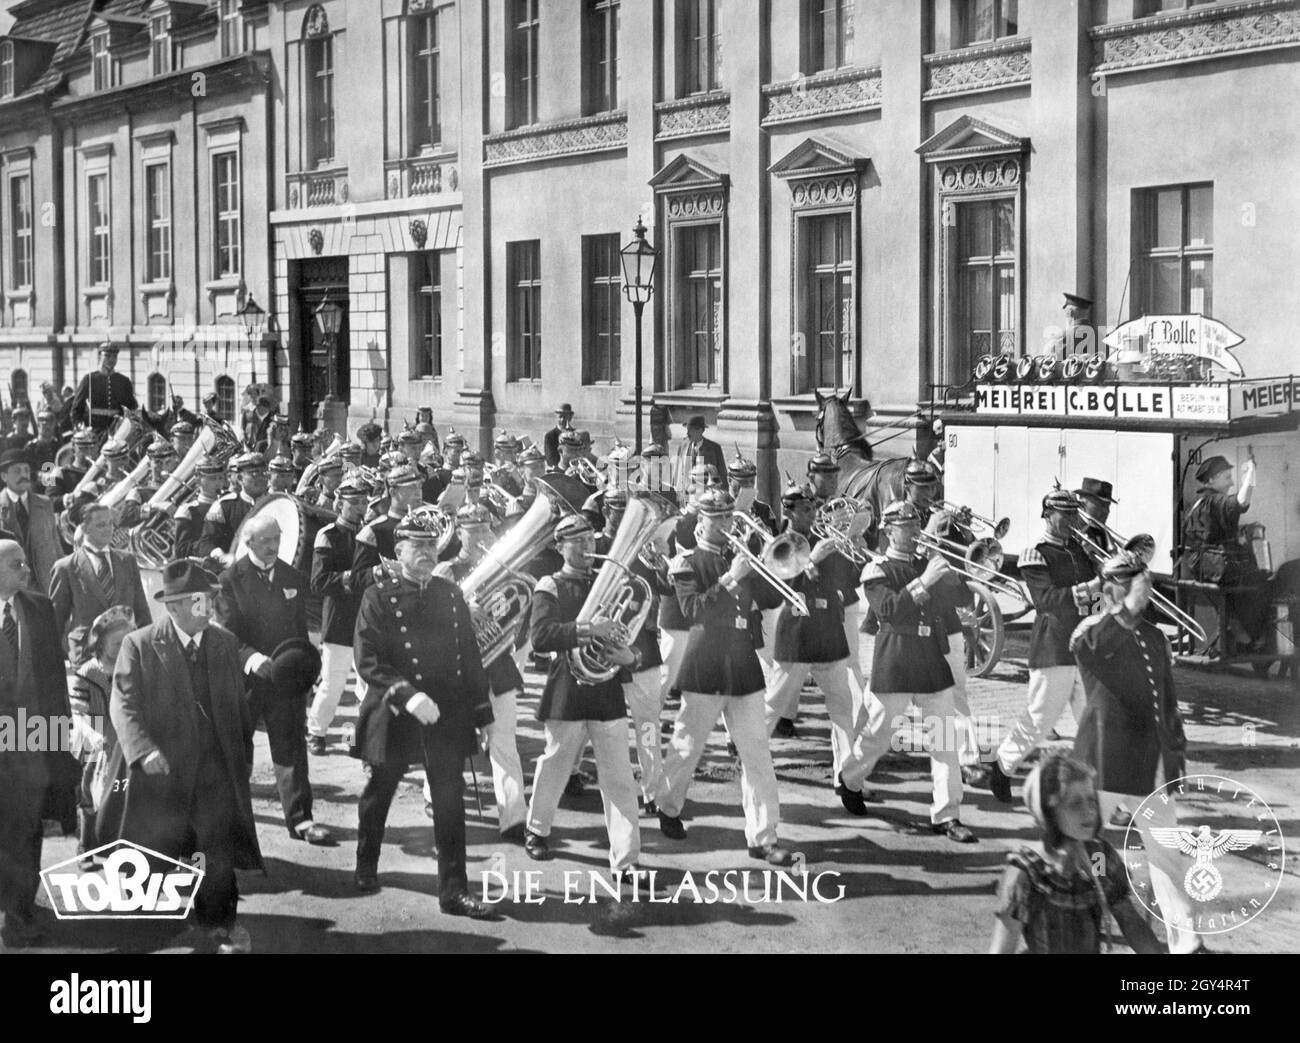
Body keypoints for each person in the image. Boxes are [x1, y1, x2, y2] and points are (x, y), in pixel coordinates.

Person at [98, 560, 263, 953]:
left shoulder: (223, 643)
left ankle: (219, 924)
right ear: (172, 607)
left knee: (215, 849)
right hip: (161, 771)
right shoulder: (138, 644)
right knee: (154, 849)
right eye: (198, 602)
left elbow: (238, 707)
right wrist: (144, 750)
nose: (209, 609)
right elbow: (124, 706)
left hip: (213, 771)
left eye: (210, 600)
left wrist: (241, 756)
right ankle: (146, 929)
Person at [351, 508, 497, 918]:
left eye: (432, 546)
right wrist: (407, 695)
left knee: (451, 802)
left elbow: (469, 657)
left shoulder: (450, 595)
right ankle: (366, 864)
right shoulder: (377, 596)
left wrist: (482, 714)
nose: (427, 553)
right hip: (397, 710)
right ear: (398, 551)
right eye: (418, 546)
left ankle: (454, 891)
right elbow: (369, 659)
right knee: (379, 792)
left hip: (446, 714)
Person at [654, 489, 795, 865]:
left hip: (743, 667)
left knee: (757, 754)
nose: (725, 526)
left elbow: (770, 600)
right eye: (716, 519)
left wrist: (765, 562)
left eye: (729, 518)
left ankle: (764, 836)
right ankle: (667, 806)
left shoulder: (741, 559)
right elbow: (692, 611)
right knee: (687, 744)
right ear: (700, 522)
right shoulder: (687, 563)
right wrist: (732, 579)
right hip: (705, 664)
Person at [1071, 552, 1202, 954]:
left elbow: (1168, 701)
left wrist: (1173, 755)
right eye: (1128, 582)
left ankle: (1187, 943)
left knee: (1167, 853)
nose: (1138, 592)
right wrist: (1124, 611)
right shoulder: (1091, 629)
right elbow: (1090, 650)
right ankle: (1083, 925)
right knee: (1084, 845)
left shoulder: (1155, 637)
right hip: (1103, 761)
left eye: (1138, 582)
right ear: (1111, 587)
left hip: (1148, 764)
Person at [836, 501, 975, 842]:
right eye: (906, 527)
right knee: (878, 737)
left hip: (931, 660)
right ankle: (850, 779)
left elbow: (964, 602)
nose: (914, 533)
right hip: (895, 660)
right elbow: (889, 611)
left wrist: (954, 578)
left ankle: (947, 815)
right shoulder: (877, 569)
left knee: (944, 741)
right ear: (888, 532)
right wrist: (926, 581)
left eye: (916, 525)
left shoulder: (929, 564)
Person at [522, 515, 648, 885]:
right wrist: (587, 630)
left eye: (591, 540)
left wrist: (632, 657)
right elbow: (542, 637)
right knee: (556, 763)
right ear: (560, 546)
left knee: (620, 778)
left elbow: (629, 631)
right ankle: (537, 829)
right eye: (577, 542)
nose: (588, 548)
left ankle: (626, 860)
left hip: (606, 689)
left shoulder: (608, 582)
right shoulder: (551, 585)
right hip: (568, 688)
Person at [218, 513, 332, 845]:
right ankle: (232, 824)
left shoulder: (292, 576)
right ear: (249, 542)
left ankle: (301, 820)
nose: (273, 546)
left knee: (292, 749)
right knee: (238, 752)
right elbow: (226, 633)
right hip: (246, 680)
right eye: (266, 540)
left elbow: (299, 632)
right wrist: (252, 659)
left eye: (277, 539)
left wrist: (307, 674)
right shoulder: (229, 580)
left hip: (286, 681)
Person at [981, 488, 1097, 804]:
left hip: (1085, 648)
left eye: (1075, 514)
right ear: (1048, 514)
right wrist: (1091, 589)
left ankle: (1105, 794)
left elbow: (1092, 603)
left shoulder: (1082, 551)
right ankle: (1003, 766)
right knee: (1039, 721)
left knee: (1094, 722)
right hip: (1054, 647)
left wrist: (1103, 603)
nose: (1072, 521)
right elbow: (1047, 601)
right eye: (1065, 514)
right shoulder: (1036, 554)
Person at [989, 753, 1161, 955]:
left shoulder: (1098, 857)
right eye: (1075, 804)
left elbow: (1128, 919)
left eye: (1091, 800)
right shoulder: (1028, 873)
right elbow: (1002, 949)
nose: (1088, 811)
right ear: (1048, 812)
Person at [435, 502, 529, 841]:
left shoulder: (506, 570)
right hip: (458, 669)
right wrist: (461, 605)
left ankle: (514, 817)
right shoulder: (445, 570)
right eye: (473, 531)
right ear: (459, 533)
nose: (481, 537)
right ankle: (439, 800)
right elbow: (429, 615)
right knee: (452, 741)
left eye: (486, 530)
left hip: (498, 667)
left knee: (504, 742)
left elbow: (519, 618)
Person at [0, 541, 78, 948]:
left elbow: (55, 680)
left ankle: (19, 916)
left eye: (26, 563)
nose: (26, 569)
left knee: (26, 831)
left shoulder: (39, 607)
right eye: (17, 565)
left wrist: (61, 734)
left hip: (31, 744)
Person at [764, 483, 861, 800]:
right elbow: (779, 587)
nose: (812, 514)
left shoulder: (824, 540)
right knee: (775, 704)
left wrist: (852, 549)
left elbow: (848, 582)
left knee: (843, 708)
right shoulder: (779, 543)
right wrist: (811, 561)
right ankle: (749, 750)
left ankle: (847, 781)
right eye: (804, 509)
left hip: (829, 633)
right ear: (789, 511)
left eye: (812, 508)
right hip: (797, 634)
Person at [307, 477, 370, 755]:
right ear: (339, 503)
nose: (360, 507)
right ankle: (316, 731)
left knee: (365, 685)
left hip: (366, 618)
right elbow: (318, 582)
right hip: (340, 617)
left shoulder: (369, 533)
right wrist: (352, 578)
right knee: (333, 682)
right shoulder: (328, 535)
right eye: (354, 503)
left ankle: (354, 740)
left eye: (364, 502)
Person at [67, 606, 133, 867]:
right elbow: (78, 714)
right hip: (93, 741)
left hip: (122, 742)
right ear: (101, 643)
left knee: (120, 794)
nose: (122, 648)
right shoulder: (87, 673)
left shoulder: (132, 669)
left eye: (126, 642)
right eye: (117, 643)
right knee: (89, 796)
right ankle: (85, 848)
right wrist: (93, 736)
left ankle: (119, 845)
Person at [1181, 453, 1266, 650]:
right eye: (1227, 477)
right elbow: (1240, 502)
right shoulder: (1214, 501)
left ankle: (1239, 628)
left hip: (1203, 564)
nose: (1231, 483)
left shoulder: (1200, 501)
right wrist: (1251, 474)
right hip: (1214, 565)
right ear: (1211, 480)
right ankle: (1250, 634)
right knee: (1260, 581)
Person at [49, 502, 152, 649]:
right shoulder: (65, 567)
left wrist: (147, 647)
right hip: (85, 650)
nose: (108, 529)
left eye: (110, 524)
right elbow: (56, 620)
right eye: (101, 525)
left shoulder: (128, 560)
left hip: (125, 647)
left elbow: (141, 610)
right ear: (84, 528)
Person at [0, 449, 62, 593]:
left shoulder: (45, 504)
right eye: (17, 471)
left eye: (26, 470)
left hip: (47, 587)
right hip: (11, 590)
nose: (23, 475)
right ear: (4, 476)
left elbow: (56, 545)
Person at [198, 452, 270, 568]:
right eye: (254, 474)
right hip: (233, 574)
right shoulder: (224, 506)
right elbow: (205, 543)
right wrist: (221, 556)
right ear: (240, 478)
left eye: (264, 473)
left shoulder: (277, 504)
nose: (261, 478)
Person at [71, 344, 138, 433]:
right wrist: (81, 428)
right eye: (107, 356)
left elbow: (132, 407)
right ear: (99, 356)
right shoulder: (89, 379)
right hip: (94, 430)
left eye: (114, 356)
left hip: (118, 431)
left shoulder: (124, 381)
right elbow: (76, 410)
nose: (111, 359)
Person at [173, 457, 227, 559]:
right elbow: (181, 550)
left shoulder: (228, 505)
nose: (218, 483)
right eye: (212, 478)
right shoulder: (188, 510)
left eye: (220, 478)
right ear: (198, 480)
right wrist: (208, 549)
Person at [674, 415, 726, 496]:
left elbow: (722, 474)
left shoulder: (714, 448)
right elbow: (677, 471)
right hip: (686, 494)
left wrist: (721, 495)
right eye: (687, 429)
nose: (687, 433)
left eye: (690, 430)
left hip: (706, 495)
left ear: (700, 430)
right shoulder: (683, 446)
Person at [543, 403, 576, 469]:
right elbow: (551, 460)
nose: (562, 420)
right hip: (560, 472)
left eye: (565, 417)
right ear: (556, 417)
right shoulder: (550, 436)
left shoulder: (576, 434)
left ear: (570, 417)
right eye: (560, 417)